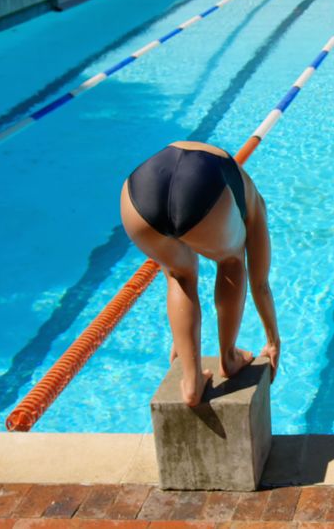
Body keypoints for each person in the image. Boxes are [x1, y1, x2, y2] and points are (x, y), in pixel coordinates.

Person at [120, 141, 281, 406]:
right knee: (232, 262)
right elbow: (260, 283)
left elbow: (171, 269)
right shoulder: (256, 205)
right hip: (204, 191)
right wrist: (273, 340)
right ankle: (228, 357)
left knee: (178, 274)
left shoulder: (233, 179)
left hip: (137, 193)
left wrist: (183, 341)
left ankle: (192, 380)